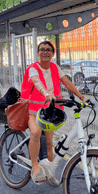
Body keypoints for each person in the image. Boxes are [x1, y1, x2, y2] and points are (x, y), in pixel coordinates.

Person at [21, 40, 87, 185]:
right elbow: (36, 81)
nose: (45, 52)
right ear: (38, 53)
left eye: (48, 50)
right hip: (31, 108)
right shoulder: (33, 68)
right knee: (36, 133)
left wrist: (82, 97)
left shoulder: (54, 67)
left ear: (53, 53)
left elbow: (67, 82)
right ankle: (35, 168)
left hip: (48, 110)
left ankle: (50, 173)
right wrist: (45, 92)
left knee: (50, 143)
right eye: (42, 49)